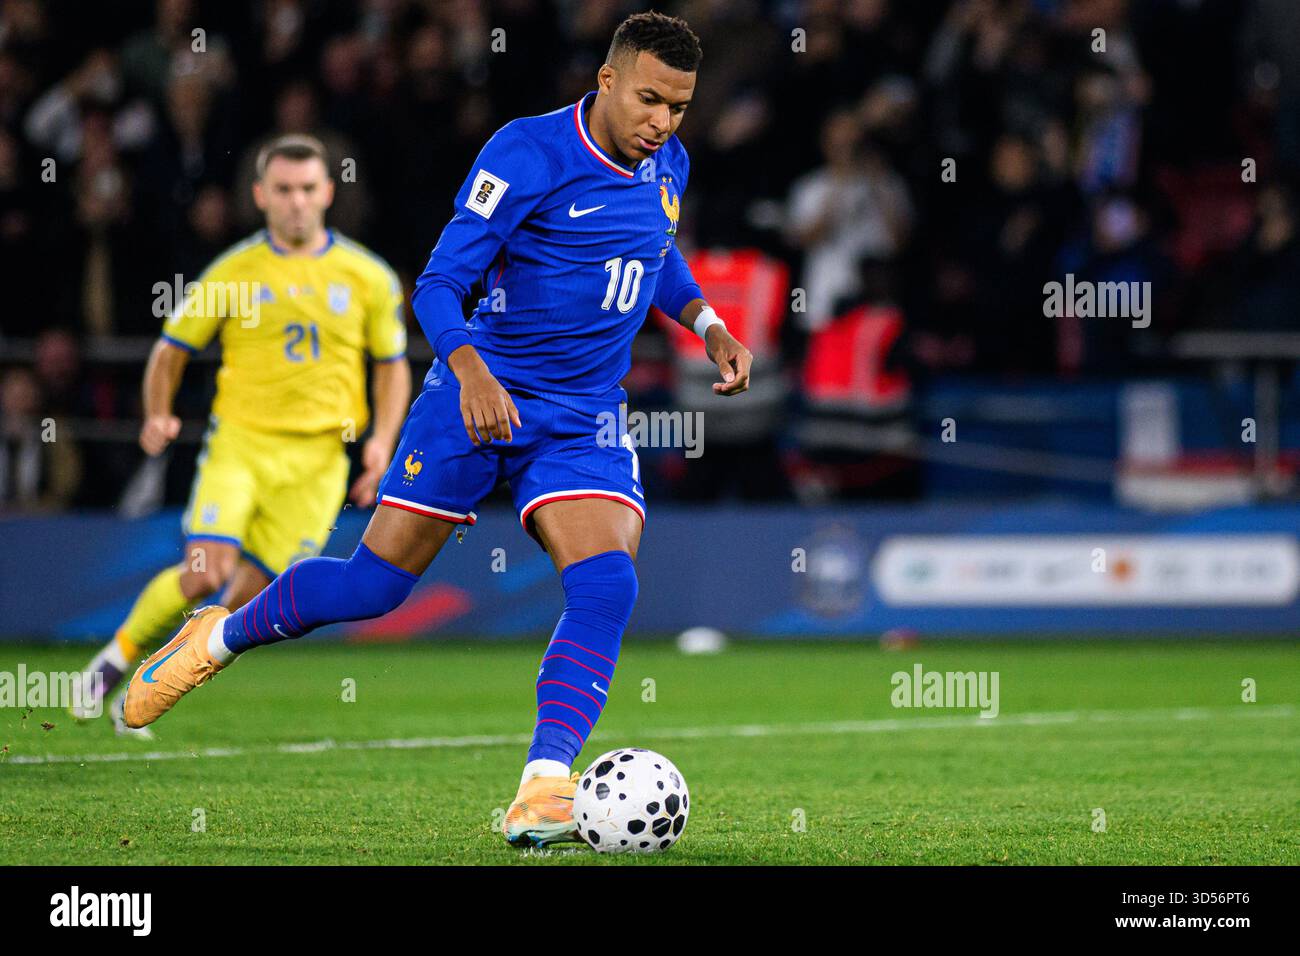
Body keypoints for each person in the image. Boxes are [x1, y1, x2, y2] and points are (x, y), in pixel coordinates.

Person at [123, 12, 753, 849]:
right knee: (372, 589)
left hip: (580, 417)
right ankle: (221, 635)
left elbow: (655, 253)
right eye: (648, 100)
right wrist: (473, 373)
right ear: (605, 81)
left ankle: (544, 785)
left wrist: (706, 322)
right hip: (473, 396)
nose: (662, 122)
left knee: (607, 585)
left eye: (677, 107)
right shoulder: (526, 153)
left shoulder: (667, 159)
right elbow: (437, 286)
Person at [74, 134, 411, 736]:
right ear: (260, 195)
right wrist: (158, 412)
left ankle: (146, 697)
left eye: (308, 189)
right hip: (242, 446)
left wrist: (382, 441)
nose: (297, 202)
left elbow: (391, 366)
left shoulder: (368, 276)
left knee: (240, 607)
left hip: (319, 463)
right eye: (283, 190)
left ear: (328, 192)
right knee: (205, 571)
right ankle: (112, 661)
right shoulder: (234, 271)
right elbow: (171, 350)